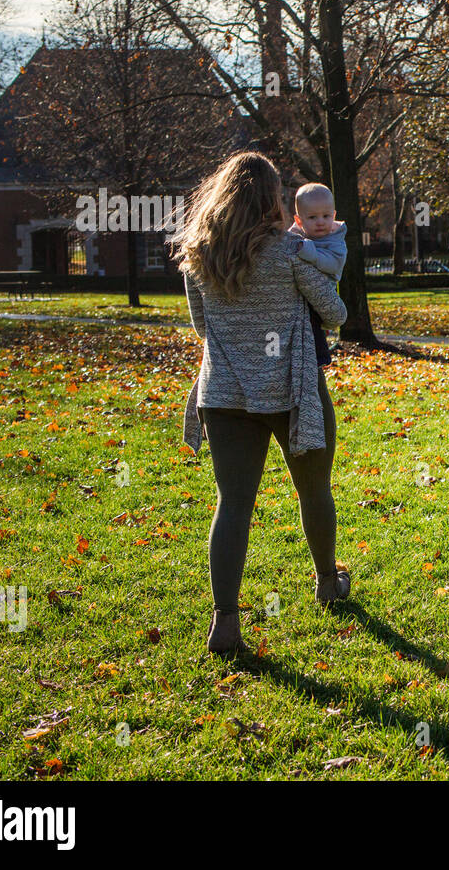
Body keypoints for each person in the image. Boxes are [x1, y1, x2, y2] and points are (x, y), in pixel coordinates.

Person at [173, 152, 350, 656]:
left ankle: (225, 622)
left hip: (224, 393)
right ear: (270, 198)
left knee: (233, 504)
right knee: (314, 490)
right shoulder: (289, 252)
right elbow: (335, 313)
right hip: (294, 390)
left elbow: (202, 328)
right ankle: (324, 581)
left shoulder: (198, 254)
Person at [286, 182, 348, 368]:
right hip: (297, 294)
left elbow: (334, 264)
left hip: (324, 292)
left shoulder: (336, 240)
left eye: (326, 216)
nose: (320, 222)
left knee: (313, 322)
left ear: (334, 215)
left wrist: (313, 256)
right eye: (312, 217)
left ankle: (321, 358)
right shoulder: (295, 236)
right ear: (299, 221)